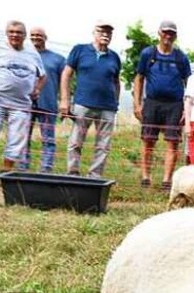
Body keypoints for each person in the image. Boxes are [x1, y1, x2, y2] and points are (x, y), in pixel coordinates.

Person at [0, 21, 46, 174]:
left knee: (17, 140)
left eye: (18, 32)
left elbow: (43, 75)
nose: (15, 35)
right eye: (11, 32)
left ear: (25, 36)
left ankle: (6, 172)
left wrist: (37, 89)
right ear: (6, 33)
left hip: (21, 104)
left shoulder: (32, 53)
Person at [132, 20, 190, 189]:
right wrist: (137, 104)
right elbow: (139, 78)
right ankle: (145, 177)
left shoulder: (181, 58)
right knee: (148, 140)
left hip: (175, 105)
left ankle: (166, 181)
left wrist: (187, 109)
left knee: (173, 142)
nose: (168, 36)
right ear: (159, 32)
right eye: (165, 32)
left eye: (171, 33)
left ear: (176, 36)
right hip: (151, 103)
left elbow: (189, 83)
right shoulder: (147, 54)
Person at [60, 21, 121, 178]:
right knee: (75, 141)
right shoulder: (79, 50)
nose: (105, 35)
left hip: (107, 107)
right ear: (94, 32)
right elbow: (66, 74)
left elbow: (116, 81)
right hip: (82, 103)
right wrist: (65, 100)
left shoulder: (114, 57)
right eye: (101, 31)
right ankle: (72, 173)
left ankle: (95, 176)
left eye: (109, 32)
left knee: (103, 145)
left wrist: (116, 103)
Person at [20, 27, 64, 172]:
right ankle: (23, 167)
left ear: (45, 37)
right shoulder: (22, 56)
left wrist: (64, 101)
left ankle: (46, 168)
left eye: (39, 35)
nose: (36, 37)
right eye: (33, 35)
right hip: (25, 104)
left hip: (48, 104)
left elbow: (64, 82)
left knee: (48, 139)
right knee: (23, 138)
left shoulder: (58, 59)